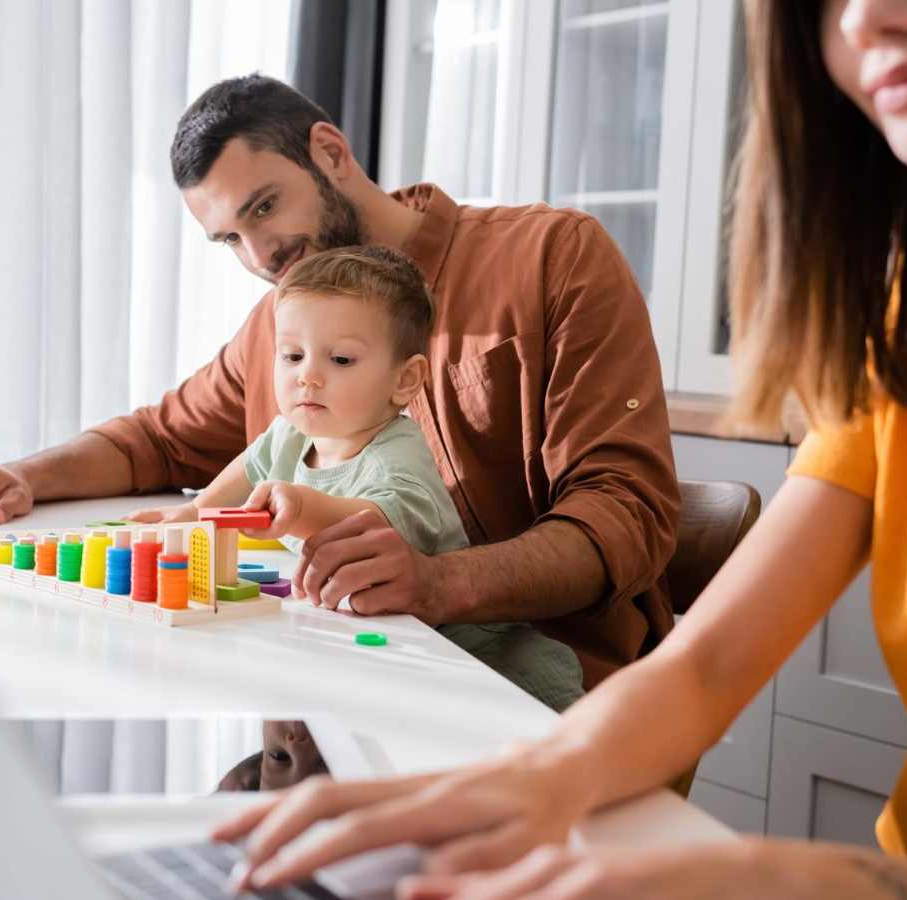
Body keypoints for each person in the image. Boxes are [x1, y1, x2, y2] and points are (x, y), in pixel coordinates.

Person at [211, 1, 907, 897]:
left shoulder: (550, 253)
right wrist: (525, 779)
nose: (866, 17)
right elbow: (705, 667)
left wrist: (805, 881)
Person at [0, 74, 679, 689]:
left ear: (330, 152)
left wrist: (439, 584)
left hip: (545, 692)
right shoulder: (283, 322)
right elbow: (158, 440)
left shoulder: (550, 257)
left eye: (265, 207)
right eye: (230, 236)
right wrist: (18, 476)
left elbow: (628, 512)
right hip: (351, 674)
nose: (259, 255)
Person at [126, 245, 583, 712]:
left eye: (341, 360)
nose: (308, 377)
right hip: (394, 659)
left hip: (488, 664)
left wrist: (302, 508)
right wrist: (190, 512)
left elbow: (375, 527)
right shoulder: (289, 434)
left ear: (404, 381)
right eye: (292, 355)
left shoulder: (396, 456)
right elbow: (248, 468)